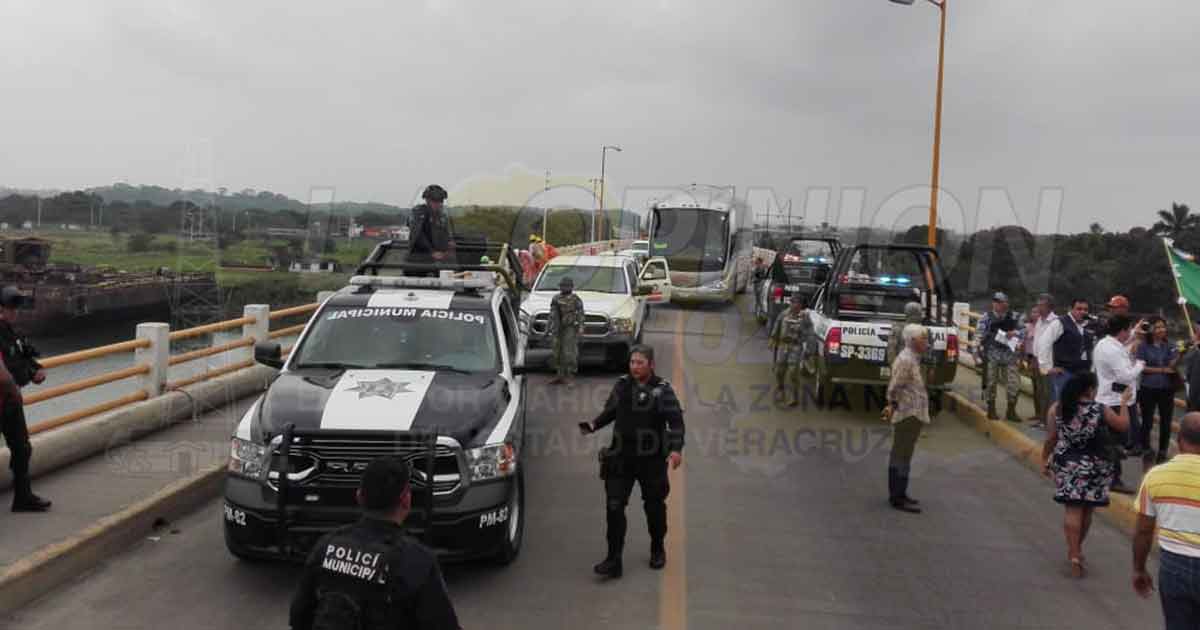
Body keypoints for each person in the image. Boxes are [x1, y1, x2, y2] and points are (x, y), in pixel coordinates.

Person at [289, 455, 461, 630]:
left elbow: (298, 617)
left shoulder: (326, 546)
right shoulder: (418, 560)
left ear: (359, 496)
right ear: (406, 500)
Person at [578, 344, 685, 578]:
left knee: (654, 506)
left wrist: (676, 450)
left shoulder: (663, 390)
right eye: (632, 362)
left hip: (651, 460)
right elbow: (611, 411)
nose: (634, 367)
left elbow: (676, 423)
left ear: (651, 365)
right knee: (614, 506)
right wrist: (594, 424)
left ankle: (657, 548)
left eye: (640, 363)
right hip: (621, 457)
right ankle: (613, 560)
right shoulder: (622, 385)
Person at [1040, 372, 1132, 578]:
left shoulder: (1057, 409)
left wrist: (1045, 458)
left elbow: (1051, 438)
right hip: (1096, 465)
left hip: (1068, 463)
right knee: (1087, 511)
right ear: (1090, 389)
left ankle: (1074, 554)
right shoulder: (1100, 409)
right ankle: (1077, 549)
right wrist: (1124, 402)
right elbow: (1123, 425)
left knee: (1072, 509)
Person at [1133, 412, 1200, 627]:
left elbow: (1143, 531)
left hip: (1174, 567)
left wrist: (1139, 569)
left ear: (1178, 440)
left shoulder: (1155, 476)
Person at [0, 286, 51, 512]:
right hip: (7, 398)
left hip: (10, 401)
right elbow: (2, 374)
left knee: (22, 449)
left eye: (16, 308)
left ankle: (23, 497)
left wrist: (35, 371)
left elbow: (23, 358)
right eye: (10, 307)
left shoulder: (12, 333)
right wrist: (14, 388)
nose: (14, 312)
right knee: (21, 448)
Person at [883, 324, 931, 514]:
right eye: (923, 339)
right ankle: (896, 496)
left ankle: (901, 493)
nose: (926, 342)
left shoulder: (913, 358)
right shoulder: (905, 360)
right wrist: (893, 404)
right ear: (912, 341)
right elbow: (894, 387)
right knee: (900, 454)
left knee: (905, 455)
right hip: (907, 413)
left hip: (914, 413)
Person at [1094, 314, 1145, 493]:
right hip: (1115, 400)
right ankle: (1114, 479)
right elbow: (1125, 376)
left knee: (1111, 440)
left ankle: (1105, 475)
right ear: (1123, 330)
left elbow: (1123, 346)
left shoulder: (1105, 344)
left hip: (1110, 397)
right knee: (1115, 442)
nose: (1130, 333)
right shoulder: (1113, 350)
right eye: (1129, 329)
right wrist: (1140, 365)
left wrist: (1135, 333)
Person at [1035, 297, 1096, 404]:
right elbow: (1044, 343)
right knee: (1060, 406)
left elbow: (1091, 349)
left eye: (1085, 309)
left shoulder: (1089, 325)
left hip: (1083, 374)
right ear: (1070, 309)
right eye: (1079, 309)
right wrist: (1047, 368)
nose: (1082, 312)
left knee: (1078, 407)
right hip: (1064, 373)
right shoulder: (1060, 322)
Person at [1137, 316, 1180, 464]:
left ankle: (1163, 451)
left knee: (1166, 421)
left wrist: (1180, 354)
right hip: (1148, 388)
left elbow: (1172, 366)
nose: (1161, 330)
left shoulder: (1170, 345)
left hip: (1166, 388)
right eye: (1157, 327)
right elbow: (1141, 367)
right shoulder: (1143, 346)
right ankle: (1146, 447)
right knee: (1147, 420)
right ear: (1150, 329)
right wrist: (1161, 370)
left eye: (1163, 326)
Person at [977, 292, 1021, 421]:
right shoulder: (986, 317)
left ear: (1006, 303)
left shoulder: (1014, 316)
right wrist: (976, 353)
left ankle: (1011, 410)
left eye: (1002, 302)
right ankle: (991, 409)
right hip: (992, 352)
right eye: (996, 302)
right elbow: (979, 334)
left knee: (1014, 383)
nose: (998, 304)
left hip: (1009, 353)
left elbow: (1025, 330)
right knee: (991, 381)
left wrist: (1015, 332)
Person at [768, 293, 813, 406]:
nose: (795, 305)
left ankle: (794, 396)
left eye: (798, 303)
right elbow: (777, 325)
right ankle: (781, 389)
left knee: (793, 372)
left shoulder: (805, 317)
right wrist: (773, 338)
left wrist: (809, 348)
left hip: (796, 346)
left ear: (801, 305)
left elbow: (810, 333)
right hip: (783, 345)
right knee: (779, 371)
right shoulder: (784, 314)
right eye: (793, 302)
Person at [1026, 294, 1057, 427]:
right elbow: (1037, 341)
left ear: (1049, 306)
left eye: (1041, 305)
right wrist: (1034, 358)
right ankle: (1041, 418)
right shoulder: (1040, 320)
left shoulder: (1055, 322)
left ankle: (1047, 421)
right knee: (1040, 391)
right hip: (1038, 361)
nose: (1039, 307)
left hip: (1048, 362)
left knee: (1047, 392)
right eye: (1038, 304)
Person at [548, 276, 584, 386]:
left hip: (570, 328)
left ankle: (570, 376)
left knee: (569, 352)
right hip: (557, 328)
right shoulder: (556, 298)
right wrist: (548, 328)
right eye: (562, 286)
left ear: (571, 287)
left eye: (566, 286)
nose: (564, 288)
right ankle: (559, 375)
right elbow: (552, 314)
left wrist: (581, 326)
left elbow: (581, 313)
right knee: (557, 351)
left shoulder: (575, 299)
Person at [408, 185, 455, 268]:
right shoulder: (418, 212)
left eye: (440, 200)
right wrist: (432, 252)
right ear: (427, 200)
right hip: (418, 260)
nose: (438, 203)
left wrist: (450, 242)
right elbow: (417, 234)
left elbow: (446, 233)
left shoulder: (442, 216)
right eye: (434, 200)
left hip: (439, 261)